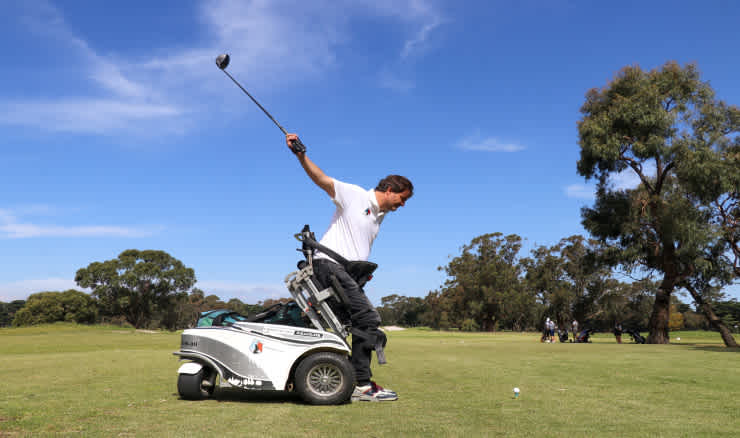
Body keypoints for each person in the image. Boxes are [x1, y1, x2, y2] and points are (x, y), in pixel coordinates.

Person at [286, 133, 413, 402]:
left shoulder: (378, 217)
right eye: (402, 198)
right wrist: (300, 155)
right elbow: (322, 180)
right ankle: (361, 385)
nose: (402, 205)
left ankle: (354, 379)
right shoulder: (355, 195)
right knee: (367, 319)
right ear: (389, 190)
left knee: (360, 322)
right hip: (328, 267)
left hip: (342, 272)